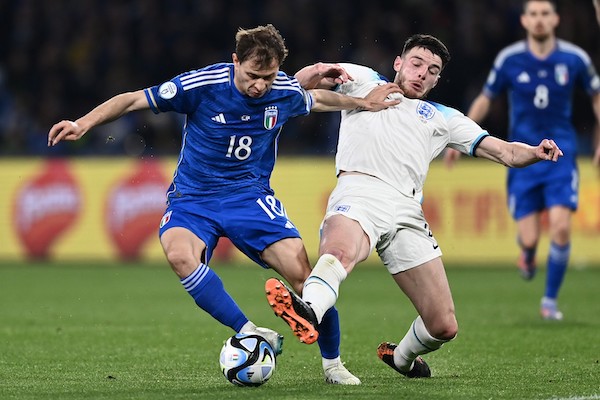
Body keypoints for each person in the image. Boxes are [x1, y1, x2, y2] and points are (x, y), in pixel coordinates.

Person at [47, 24, 400, 385]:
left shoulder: (282, 89)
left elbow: (318, 99)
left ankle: (333, 365)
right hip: (194, 198)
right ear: (235, 62)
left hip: (251, 197)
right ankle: (250, 332)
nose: (260, 85)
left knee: (306, 279)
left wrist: (362, 103)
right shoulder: (202, 85)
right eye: (252, 76)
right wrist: (83, 122)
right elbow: (133, 99)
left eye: (269, 76)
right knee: (179, 254)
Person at [264, 33, 563, 379]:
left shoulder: (443, 117)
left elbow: (505, 152)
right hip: (360, 190)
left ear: (437, 79)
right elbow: (292, 88)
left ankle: (402, 358)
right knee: (342, 252)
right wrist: (317, 70)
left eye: (432, 70)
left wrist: (535, 152)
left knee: (443, 325)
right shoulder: (363, 80)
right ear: (399, 63)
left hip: (407, 211)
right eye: (417, 63)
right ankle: (308, 310)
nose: (422, 73)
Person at [444, 0, 600, 320]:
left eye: (545, 13)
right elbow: (486, 99)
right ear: (525, 21)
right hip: (522, 158)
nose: (539, 20)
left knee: (560, 229)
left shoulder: (574, 58)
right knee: (529, 236)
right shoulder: (510, 59)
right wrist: (460, 138)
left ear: (555, 19)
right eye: (533, 14)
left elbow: (596, 96)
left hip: (561, 155)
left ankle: (549, 302)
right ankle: (527, 253)